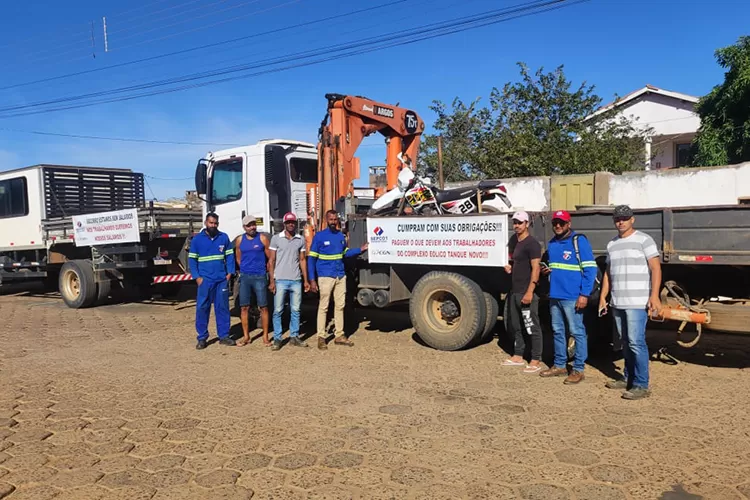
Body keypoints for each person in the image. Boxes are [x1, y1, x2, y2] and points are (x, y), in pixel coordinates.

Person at [599, 205, 662, 400]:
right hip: (618, 301)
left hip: (637, 301)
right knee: (624, 342)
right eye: (617, 218)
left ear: (632, 219)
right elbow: (609, 273)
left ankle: (641, 384)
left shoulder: (644, 240)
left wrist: (654, 296)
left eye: (625, 218)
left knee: (636, 342)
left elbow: (656, 269)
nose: (621, 222)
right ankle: (628, 377)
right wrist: (603, 296)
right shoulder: (612, 244)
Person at [539, 210, 598, 384]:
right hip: (555, 295)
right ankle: (560, 365)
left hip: (573, 296)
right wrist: (546, 270)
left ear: (569, 224)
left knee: (577, 332)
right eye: (555, 223)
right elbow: (555, 266)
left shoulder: (579, 241)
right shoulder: (552, 244)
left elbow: (590, 269)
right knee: (558, 331)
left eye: (561, 223)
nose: (558, 226)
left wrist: (584, 294)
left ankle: (578, 369)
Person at [308, 210, 368, 350]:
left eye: (335, 219)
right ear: (326, 220)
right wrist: (312, 279)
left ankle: (339, 335)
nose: (333, 222)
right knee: (324, 307)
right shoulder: (319, 237)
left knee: (340, 306)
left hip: (340, 276)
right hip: (325, 276)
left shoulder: (340, 236)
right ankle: (321, 337)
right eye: (331, 219)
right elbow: (311, 258)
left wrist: (360, 249)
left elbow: (345, 253)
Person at [501, 211, 543, 373]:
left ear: (527, 224)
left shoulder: (532, 244)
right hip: (515, 291)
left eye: (520, 222)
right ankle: (518, 355)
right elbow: (516, 262)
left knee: (531, 326)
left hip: (526, 293)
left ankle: (535, 359)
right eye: (515, 223)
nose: (516, 226)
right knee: (516, 325)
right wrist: (510, 267)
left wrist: (530, 292)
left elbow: (535, 268)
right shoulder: (516, 242)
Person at [188, 212, 236, 349]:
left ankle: (224, 336)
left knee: (223, 308)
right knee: (203, 308)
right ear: (205, 223)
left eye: (215, 223)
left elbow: (230, 256)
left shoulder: (224, 237)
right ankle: (202, 338)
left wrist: (229, 273)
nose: (213, 225)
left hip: (221, 280)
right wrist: (197, 277)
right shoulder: (197, 240)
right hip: (205, 281)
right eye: (211, 223)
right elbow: (192, 260)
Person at [268, 212, 310, 351]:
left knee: (296, 309)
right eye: (289, 222)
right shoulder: (276, 239)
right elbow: (271, 260)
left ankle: (294, 336)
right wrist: (272, 280)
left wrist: (306, 280)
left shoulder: (300, 239)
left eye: (293, 222)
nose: (291, 224)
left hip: (296, 279)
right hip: (280, 279)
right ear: (284, 224)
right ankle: (278, 338)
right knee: (278, 310)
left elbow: (303, 260)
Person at [235, 215, 272, 347]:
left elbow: (271, 258)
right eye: (249, 225)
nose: (252, 227)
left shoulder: (262, 238)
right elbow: (238, 258)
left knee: (263, 307)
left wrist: (267, 272)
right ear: (244, 227)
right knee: (244, 307)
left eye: (254, 224)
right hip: (245, 277)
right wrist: (245, 269)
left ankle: (265, 336)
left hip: (260, 277)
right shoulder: (240, 240)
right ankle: (246, 336)